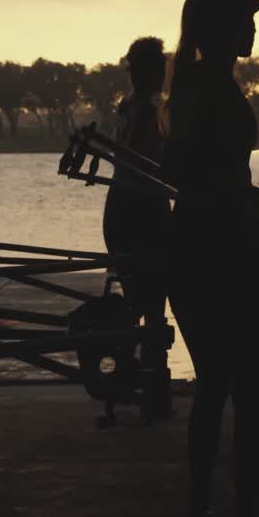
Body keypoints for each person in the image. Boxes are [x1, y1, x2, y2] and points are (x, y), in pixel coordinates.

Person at [161, 0, 259, 517]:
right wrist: (247, 203)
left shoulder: (190, 87)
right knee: (249, 391)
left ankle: (195, 516)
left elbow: (190, 173)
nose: (254, 27)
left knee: (213, 386)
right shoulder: (211, 91)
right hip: (229, 246)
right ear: (224, 28)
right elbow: (208, 175)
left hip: (194, 245)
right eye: (247, 18)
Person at [102, 36, 172, 419]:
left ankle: (128, 376)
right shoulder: (147, 112)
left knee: (134, 300)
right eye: (158, 68)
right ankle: (152, 389)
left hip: (121, 206)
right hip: (144, 208)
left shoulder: (125, 108)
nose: (162, 75)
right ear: (145, 71)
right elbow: (155, 162)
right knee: (154, 304)